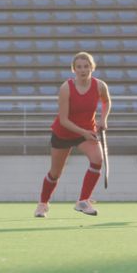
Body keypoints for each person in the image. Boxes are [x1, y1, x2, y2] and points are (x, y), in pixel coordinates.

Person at [36, 52, 111, 218]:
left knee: (97, 159)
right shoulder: (66, 88)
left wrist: (103, 119)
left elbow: (106, 102)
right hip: (64, 132)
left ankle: (83, 201)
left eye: (86, 66)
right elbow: (63, 120)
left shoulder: (99, 86)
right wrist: (85, 132)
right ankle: (42, 204)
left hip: (86, 131)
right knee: (55, 173)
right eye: (79, 67)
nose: (83, 70)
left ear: (92, 68)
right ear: (73, 69)